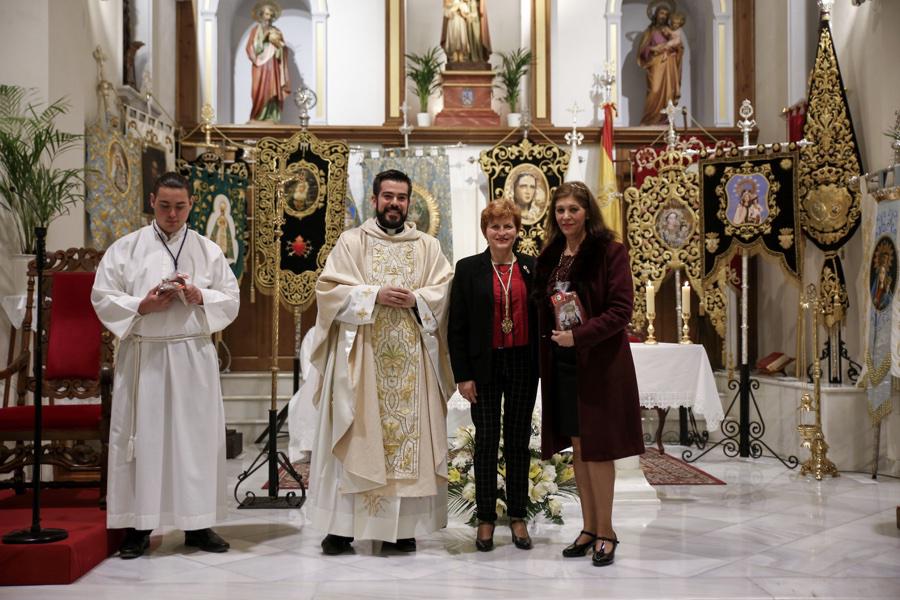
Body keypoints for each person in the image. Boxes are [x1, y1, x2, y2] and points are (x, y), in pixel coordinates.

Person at [91, 172, 240, 559]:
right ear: (152, 202)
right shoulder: (126, 248)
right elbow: (102, 296)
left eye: (180, 206)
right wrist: (143, 305)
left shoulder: (208, 250)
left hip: (192, 354)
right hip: (145, 356)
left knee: (195, 441)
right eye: (164, 206)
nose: (172, 214)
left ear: (191, 205)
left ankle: (198, 523)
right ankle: (139, 527)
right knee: (144, 441)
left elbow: (230, 298)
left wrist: (198, 294)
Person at [306, 169, 455, 555]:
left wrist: (417, 300)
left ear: (410, 202)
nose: (394, 204)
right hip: (362, 360)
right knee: (359, 432)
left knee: (406, 441)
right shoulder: (352, 242)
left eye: (401, 198)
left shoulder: (427, 247)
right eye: (387, 196)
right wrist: (372, 295)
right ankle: (341, 528)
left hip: (411, 363)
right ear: (375, 200)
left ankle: (400, 529)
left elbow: (443, 293)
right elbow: (328, 291)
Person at [533, 181, 644, 567]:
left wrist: (577, 336)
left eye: (573, 210)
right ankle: (588, 526)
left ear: (587, 213)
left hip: (597, 363)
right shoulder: (550, 256)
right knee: (578, 449)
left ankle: (607, 531)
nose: (566, 216)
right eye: (560, 210)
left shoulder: (610, 252)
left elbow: (620, 310)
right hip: (562, 364)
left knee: (598, 449)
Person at [448, 199, 539, 552]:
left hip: (522, 364)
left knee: (517, 441)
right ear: (485, 231)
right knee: (486, 442)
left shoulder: (532, 268)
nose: (502, 232)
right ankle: (485, 519)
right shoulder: (468, 269)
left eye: (508, 226)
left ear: (518, 230)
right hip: (483, 367)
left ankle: (518, 516)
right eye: (495, 226)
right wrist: (463, 375)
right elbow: (457, 327)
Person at [637, 7, 685, 125]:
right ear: (656, 15)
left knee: (669, 93)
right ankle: (649, 120)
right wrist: (654, 48)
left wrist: (676, 49)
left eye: (666, 14)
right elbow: (642, 50)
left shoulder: (670, 31)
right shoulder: (649, 32)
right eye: (661, 13)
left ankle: (665, 121)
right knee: (654, 90)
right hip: (656, 64)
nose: (663, 16)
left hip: (669, 66)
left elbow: (679, 47)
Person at [246, 1, 291, 122]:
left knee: (273, 88)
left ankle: (272, 116)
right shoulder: (255, 30)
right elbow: (250, 48)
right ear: (261, 15)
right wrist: (264, 39)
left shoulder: (277, 31)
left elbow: (283, 49)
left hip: (273, 64)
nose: (269, 17)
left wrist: (280, 45)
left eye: (271, 15)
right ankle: (257, 115)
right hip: (259, 65)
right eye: (266, 14)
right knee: (258, 90)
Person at [206, 196, 237, 263]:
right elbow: (217, 225)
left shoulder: (226, 218)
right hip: (219, 232)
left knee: (224, 244)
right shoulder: (218, 217)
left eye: (223, 210)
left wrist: (224, 225)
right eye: (221, 210)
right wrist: (220, 224)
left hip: (224, 233)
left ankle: (224, 254)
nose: (222, 211)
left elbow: (227, 226)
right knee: (218, 241)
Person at [464, 0, 492, 64]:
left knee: (477, 36)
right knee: (468, 36)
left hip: (475, 12)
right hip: (466, 11)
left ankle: (479, 56)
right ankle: (469, 56)